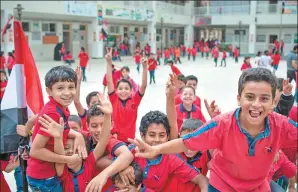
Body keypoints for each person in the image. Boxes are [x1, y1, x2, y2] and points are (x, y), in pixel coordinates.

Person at [129, 68, 297, 192]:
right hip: (222, 186)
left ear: (273, 103)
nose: (256, 104)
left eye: (264, 98)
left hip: (257, 186)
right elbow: (186, 141)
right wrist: (155, 149)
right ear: (239, 99)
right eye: (250, 97)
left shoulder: (281, 125)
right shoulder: (222, 124)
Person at [26, 65, 87, 191]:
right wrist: (68, 159)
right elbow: (35, 151)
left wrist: (77, 134)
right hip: (44, 177)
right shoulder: (53, 113)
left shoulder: (60, 107)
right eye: (60, 88)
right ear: (49, 91)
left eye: (71, 87)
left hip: (45, 173)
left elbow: (61, 130)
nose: (67, 93)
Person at [38, 97, 112, 192]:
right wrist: (57, 137)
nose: (70, 151)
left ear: (84, 151)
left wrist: (108, 115)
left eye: (76, 149)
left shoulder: (89, 163)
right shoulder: (62, 170)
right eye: (66, 148)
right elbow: (54, 152)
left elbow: (103, 140)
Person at [123, 111, 209, 192]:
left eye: (161, 135)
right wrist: (122, 168)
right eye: (152, 135)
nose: (157, 140)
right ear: (142, 135)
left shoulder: (171, 159)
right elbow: (111, 163)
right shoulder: (132, 151)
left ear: (168, 137)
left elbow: (202, 180)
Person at [105, 47, 147, 143]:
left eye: (126, 88)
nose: (123, 91)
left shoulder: (135, 101)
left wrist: (145, 67)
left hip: (130, 141)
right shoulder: (114, 99)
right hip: (115, 141)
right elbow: (109, 81)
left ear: (131, 90)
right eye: (120, 88)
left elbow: (144, 85)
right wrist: (109, 62)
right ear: (116, 90)